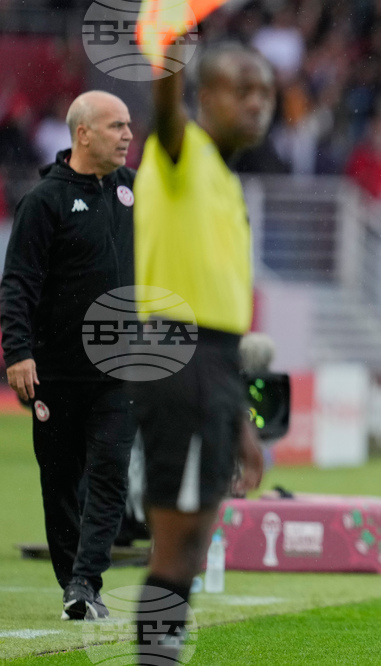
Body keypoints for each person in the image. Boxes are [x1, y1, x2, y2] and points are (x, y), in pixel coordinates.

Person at [131, 42, 272, 662]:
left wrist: (240, 418)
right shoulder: (176, 150)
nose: (258, 104)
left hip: (215, 364)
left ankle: (162, 652)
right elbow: (165, 100)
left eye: (265, 93)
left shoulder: (221, 175)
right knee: (175, 543)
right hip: (177, 356)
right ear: (203, 98)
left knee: (196, 540)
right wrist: (168, 47)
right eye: (243, 90)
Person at [1, 90, 136, 621]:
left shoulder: (133, 192)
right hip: (55, 370)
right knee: (60, 481)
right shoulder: (44, 202)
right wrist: (17, 352)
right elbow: (17, 286)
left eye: (128, 125)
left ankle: (86, 581)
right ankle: (73, 584)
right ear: (83, 134)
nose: (128, 135)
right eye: (116, 126)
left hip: (119, 369)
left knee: (110, 473)